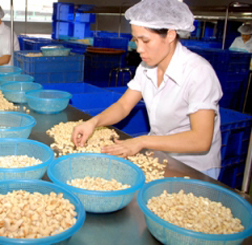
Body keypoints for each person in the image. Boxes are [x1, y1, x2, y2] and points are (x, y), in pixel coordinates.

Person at [71, 0, 223, 179]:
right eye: (136, 40)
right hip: (160, 156)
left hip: (194, 168)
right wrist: (93, 122)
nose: (139, 49)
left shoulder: (198, 73)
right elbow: (123, 106)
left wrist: (141, 141)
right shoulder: (146, 67)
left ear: (170, 35)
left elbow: (201, 140)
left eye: (146, 40)